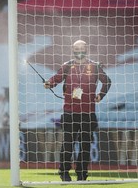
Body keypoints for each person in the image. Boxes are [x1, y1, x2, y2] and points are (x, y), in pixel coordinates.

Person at [44, 40, 111, 181]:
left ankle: (81, 173)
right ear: (72, 50)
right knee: (68, 144)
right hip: (70, 113)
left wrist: (101, 95)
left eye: (82, 48)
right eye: (77, 48)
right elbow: (56, 78)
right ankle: (64, 172)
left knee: (85, 145)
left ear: (86, 49)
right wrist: (49, 83)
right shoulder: (67, 66)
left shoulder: (94, 66)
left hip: (88, 113)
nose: (79, 50)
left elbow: (107, 81)